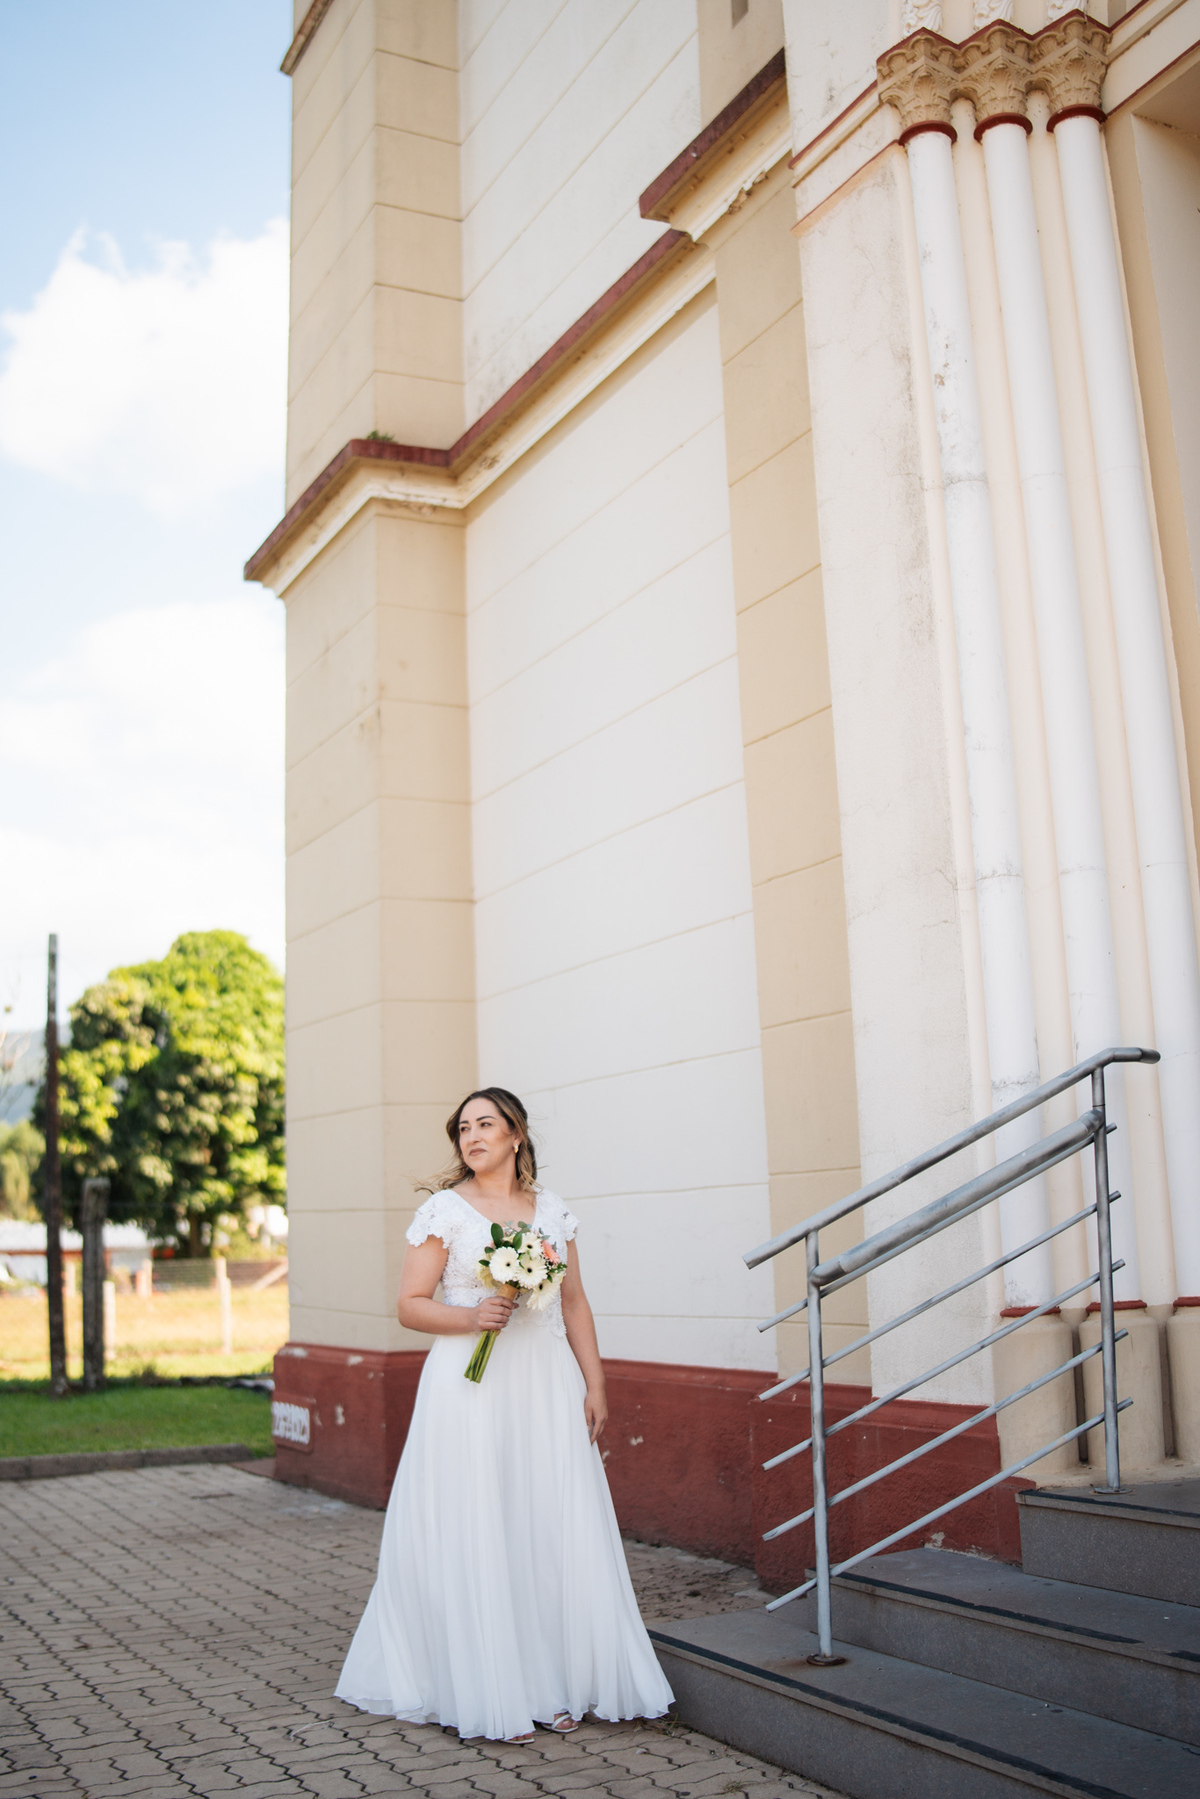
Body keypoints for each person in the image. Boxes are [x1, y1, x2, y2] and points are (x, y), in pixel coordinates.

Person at [335, 1086, 674, 1743]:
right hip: (470, 1387)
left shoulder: (551, 1209)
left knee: (543, 1518)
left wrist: (595, 1383)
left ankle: (554, 1677)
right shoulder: (445, 1211)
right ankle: (492, 1683)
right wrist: (471, 1315)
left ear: (517, 1134)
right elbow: (408, 1303)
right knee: (479, 1517)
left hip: (541, 1383)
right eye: (463, 1127)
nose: (472, 1135)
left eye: (486, 1123)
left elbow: (574, 1302)